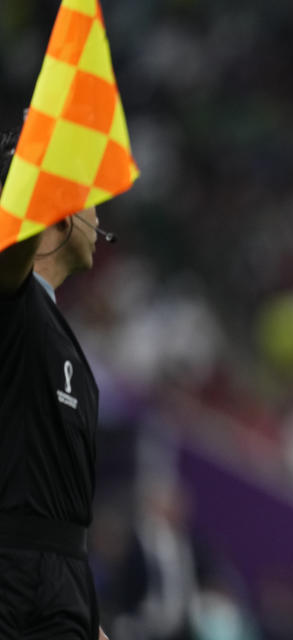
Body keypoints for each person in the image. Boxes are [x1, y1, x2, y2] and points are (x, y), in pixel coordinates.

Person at [0, 129, 111, 640]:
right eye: (91, 201)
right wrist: (38, 164)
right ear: (60, 212)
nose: (99, 218)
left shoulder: (64, 339)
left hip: (64, 584)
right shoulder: (12, 296)